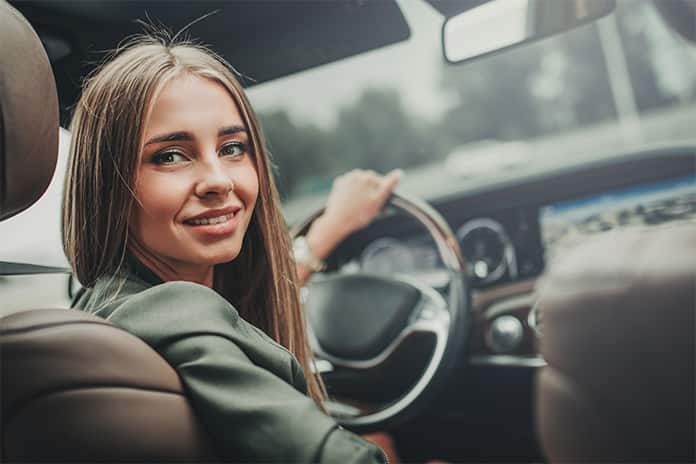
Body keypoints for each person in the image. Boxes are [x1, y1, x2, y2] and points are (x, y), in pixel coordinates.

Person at [62, 34, 400, 463]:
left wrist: (325, 235)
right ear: (107, 187)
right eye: (170, 156)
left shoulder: (101, 302)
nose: (219, 180)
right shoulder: (174, 312)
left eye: (232, 148)